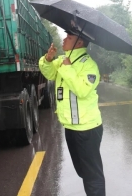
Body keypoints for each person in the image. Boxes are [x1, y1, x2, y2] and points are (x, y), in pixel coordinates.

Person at [39, 28, 106, 196]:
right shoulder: (63, 60)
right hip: (71, 127)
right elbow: (49, 74)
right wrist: (48, 60)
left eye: (69, 37)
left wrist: (68, 68)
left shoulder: (88, 65)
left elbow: (82, 90)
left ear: (80, 42)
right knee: (82, 171)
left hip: (87, 129)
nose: (64, 39)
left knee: (92, 175)